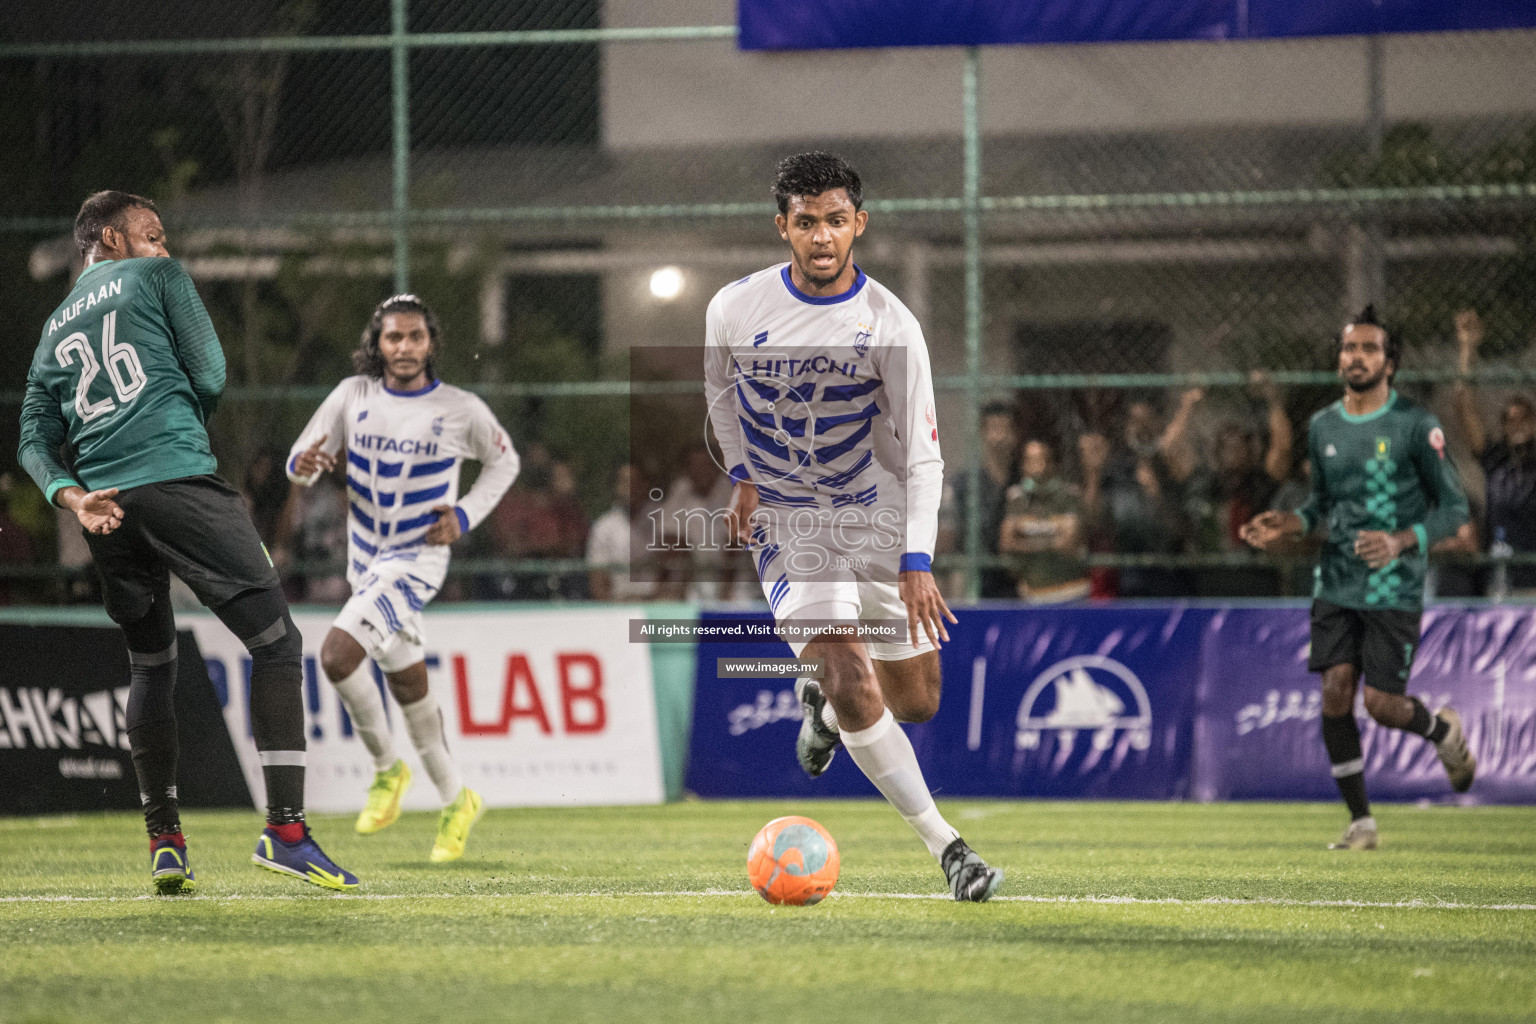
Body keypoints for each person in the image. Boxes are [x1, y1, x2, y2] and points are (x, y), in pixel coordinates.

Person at [17, 190, 357, 892]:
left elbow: (32, 439)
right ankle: (286, 832)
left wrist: (73, 496)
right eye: (151, 234)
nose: (164, 248)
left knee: (151, 666)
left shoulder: (51, 329)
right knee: (276, 643)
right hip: (177, 479)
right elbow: (209, 372)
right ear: (109, 239)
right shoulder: (159, 279)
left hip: (105, 508)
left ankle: (165, 841)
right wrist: (171, 420)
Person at [705, 152, 1002, 901]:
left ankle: (824, 708)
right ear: (783, 228)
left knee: (917, 701)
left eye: (836, 221)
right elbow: (719, 401)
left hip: (876, 516)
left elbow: (927, 456)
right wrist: (744, 477)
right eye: (805, 223)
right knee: (844, 668)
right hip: (792, 520)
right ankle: (951, 850)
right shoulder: (734, 309)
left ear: (858, 224)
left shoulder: (891, 326)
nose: (822, 237)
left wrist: (916, 560)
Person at [286, 294, 520, 862]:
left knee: (338, 656)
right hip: (365, 562)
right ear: (378, 344)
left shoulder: (460, 408)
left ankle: (387, 771)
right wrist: (306, 465)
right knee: (410, 685)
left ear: (431, 343)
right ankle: (456, 798)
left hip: (416, 560)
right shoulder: (352, 395)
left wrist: (463, 515)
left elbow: (505, 461)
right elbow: (300, 458)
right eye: (394, 338)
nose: (405, 347)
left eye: (416, 337)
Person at [1241, 306, 1476, 851]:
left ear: (1389, 364)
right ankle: (1361, 823)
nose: (1357, 357)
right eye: (1350, 348)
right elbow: (1321, 506)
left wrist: (1400, 540)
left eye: (1370, 349)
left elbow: (1455, 508)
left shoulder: (1417, 425)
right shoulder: (1321, 425)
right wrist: (1290, 521)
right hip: (1336, 580)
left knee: (1382, 705)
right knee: (1334, 692)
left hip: (1392, 583)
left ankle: (1443, 733)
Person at [1451, 309, 1536, 594]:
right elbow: (1464, 406)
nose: (1518, 424)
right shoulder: (1498, 461)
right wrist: (1468, 348)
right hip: (1503, 580)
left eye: (1525, 417)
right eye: (1510, 419)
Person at [937, 401, 1017, 597]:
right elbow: (946, 541)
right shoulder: (962, 485)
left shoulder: (1023, 481)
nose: (999, 437)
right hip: (976, 575)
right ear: (982, 432)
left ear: (1015, 434)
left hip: (1018, 575)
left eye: (1004, 429)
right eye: (993, 428)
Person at [996, 438, 1089, 604]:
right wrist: (1051, 541)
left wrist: (1026, 539)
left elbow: (1067, 544)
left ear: (1052, 464)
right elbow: (1007, 543)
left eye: (1041, 460)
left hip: (1070, 592)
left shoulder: (1068, 495)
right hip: (1030, 593)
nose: (1038, 468)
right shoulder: (1016, 498)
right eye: (1031, 461)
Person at [586, 463, 659, 602]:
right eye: (624, 482)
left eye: (636, 481)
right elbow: (597, 581)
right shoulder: (603, 527)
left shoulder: (664, 519)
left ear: (645, 484)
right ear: (616, 487)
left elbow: (675, 572)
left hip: (659, 607)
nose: (630, 487)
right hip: (617, 607)